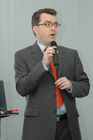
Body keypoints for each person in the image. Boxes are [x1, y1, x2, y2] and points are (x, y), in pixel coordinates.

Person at [14, 8, 90, 140]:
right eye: (48, 24)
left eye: (55, 24)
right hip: (38, 128)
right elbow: (22, 88)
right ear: (35, 29)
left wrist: (71, 85)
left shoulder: (71, 54)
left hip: (68, 127)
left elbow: (85, 87)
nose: (53, 28)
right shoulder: (22, 55)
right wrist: (42, 65)